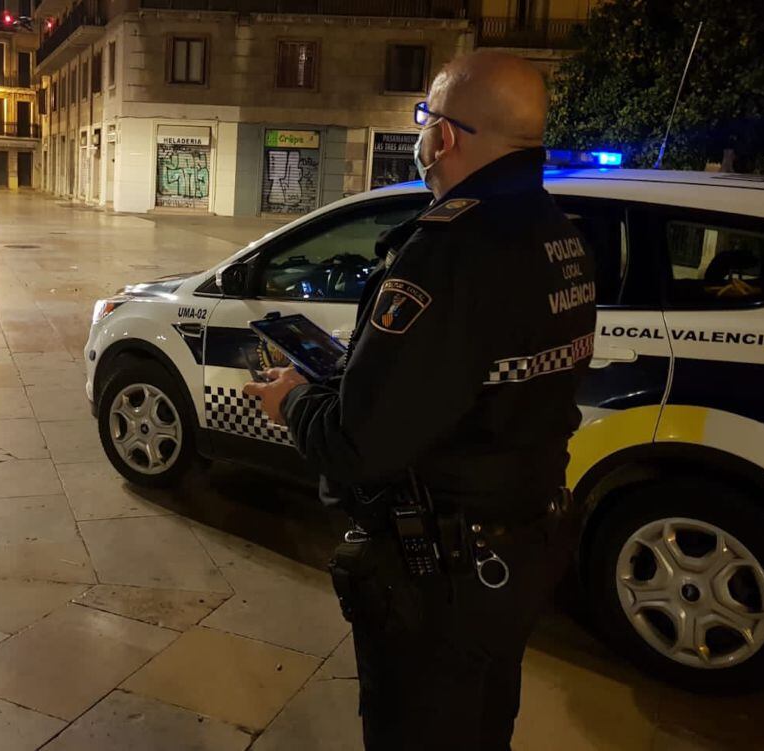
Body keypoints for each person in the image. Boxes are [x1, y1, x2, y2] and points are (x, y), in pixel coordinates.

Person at [244, 50, 597, 751]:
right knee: (483, 726)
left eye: (425, 115)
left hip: (441, 578)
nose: (422, 132)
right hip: (518, 552)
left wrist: (292, 402)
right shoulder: (560, 233)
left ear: (446, 136)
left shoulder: (448, 249)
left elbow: (360, 445)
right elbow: (473, 379)